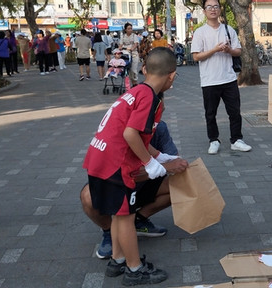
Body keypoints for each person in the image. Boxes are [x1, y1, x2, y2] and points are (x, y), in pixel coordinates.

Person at [82, 47, 188, 286]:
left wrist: (159, 156)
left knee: (119, 216)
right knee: (126, 219)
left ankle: (118, 260)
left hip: (98, 158)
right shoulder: (150, 97)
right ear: (171, 76)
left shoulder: (136, 91)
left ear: (144, 69)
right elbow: (131, 133)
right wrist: (150, 164)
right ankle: (134, 270)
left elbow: (139, 137)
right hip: (115, 165)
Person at [80, 119, 178, 260]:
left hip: (144, 185)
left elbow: (172, 159)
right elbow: (128, 173)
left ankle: (139, 221)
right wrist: (163, 166)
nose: (158, 112)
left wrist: (177, 164)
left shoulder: (159, 127)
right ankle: (109, 232)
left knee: (180, 185)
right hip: (117, 188)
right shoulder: (117, 131)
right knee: (88, 196)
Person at [191, 0, 252, 155]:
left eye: (216, 6)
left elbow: (238, 51)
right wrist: (215, 49)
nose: (213, 9)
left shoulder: (228, 29)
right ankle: (213, 140)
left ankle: (236, 140)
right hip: (209, 80)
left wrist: (228, 50)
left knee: (235, 112)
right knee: (210, 114)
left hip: (229, 78)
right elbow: (196, 57)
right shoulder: (200, 32)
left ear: (220, 9)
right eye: (209, 7)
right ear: (204, 11)